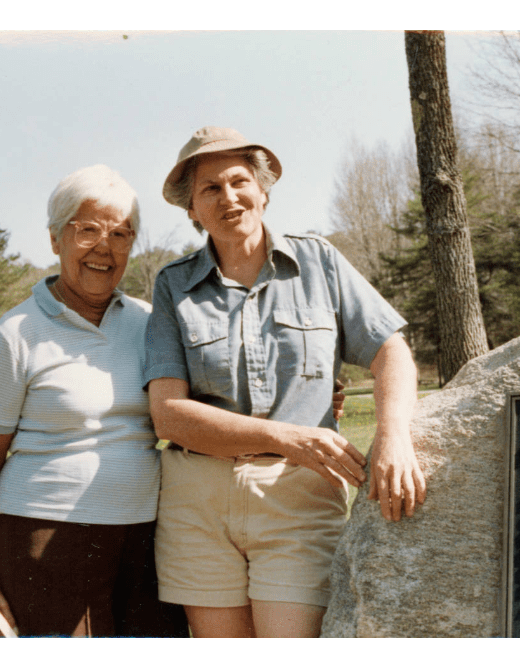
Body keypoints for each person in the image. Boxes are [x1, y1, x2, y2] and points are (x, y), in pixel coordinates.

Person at [144, 126, 428, 639]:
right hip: (197, 504)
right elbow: (168, 414)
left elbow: (391, 350)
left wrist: (393, 434)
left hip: (296, 496)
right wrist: (285, 436)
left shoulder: (320, 262)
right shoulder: (173, 286)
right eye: (209, 188)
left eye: (239, 181)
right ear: (192, 209)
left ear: (264, 190)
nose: (228, 197)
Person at [0, 164, 190, 637]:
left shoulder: (151, 325)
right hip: (45, 540)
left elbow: (200, 403)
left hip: (146, 542)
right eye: (87, 230)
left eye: (122, 233)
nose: (104, 248)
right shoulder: (15, 335)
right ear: (54, 238)